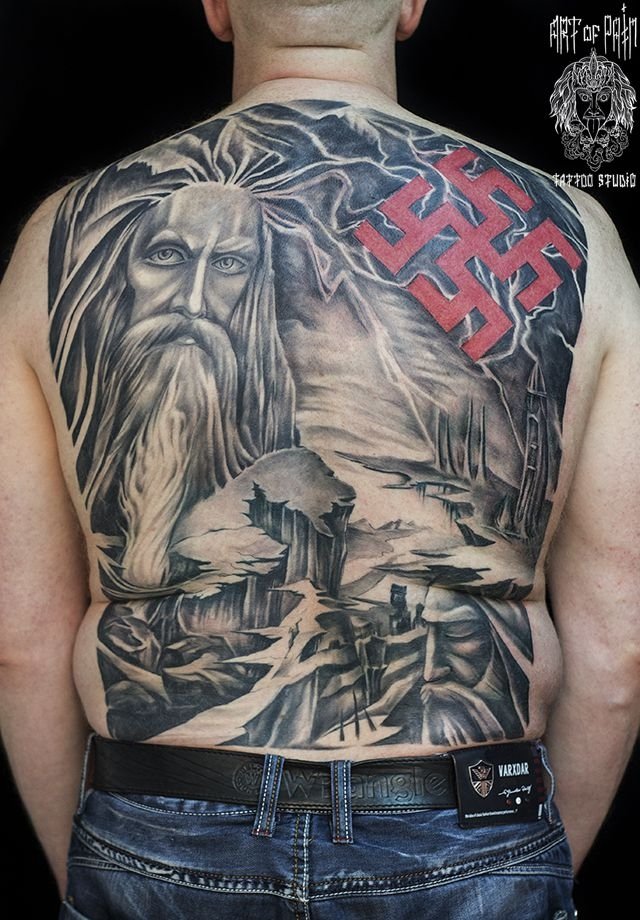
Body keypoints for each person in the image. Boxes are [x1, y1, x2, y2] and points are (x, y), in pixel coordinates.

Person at [0, 1, 638, 917]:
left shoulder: (53, 243)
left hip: (159, 829)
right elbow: (618, 650)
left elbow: (21, 641)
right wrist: (518, 866)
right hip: (469, 825)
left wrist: (108, 865)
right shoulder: (577, 237)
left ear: (217, 6)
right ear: (410, 6)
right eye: (172, 256)